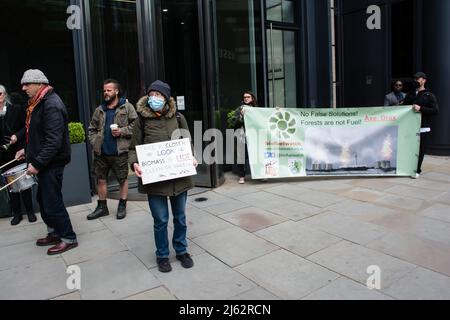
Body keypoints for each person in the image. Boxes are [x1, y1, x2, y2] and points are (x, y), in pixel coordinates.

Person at [129, 80, 195, 273]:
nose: (154, 98)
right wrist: (135, 163)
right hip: (155, 179)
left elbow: (186, 140)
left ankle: (181, 251)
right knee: (160, 220)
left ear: (166, 98)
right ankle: (162, 255)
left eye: (158, 95)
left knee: (180, 217)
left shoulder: (178, 117)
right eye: (152, 95)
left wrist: (191, 156)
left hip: (178, 178)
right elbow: (133, 147)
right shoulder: (141, 120)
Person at [15, 69, 77, 255]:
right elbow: (38, 135)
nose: (23, 88)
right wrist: (26, 151)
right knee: (43, 200)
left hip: (52, 163)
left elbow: (53, 141)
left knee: (52, 201)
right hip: (45, 162)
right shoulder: (39, 102)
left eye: (27, 84)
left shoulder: (51, 104)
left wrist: (37, 163)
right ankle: (54, 232)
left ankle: (68, 237)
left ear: (40, 84)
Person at [87, 79, 137, 220]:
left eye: (108, 90)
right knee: (101, 179)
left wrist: (122, 131)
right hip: (101, 153)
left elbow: (136, 126)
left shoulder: (127, 107)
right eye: (104, 90)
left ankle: (122, 205)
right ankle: (102, 207)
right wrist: (94, 142)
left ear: (116, 91)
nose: (106, 93)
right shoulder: (100, 109)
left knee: (122, 179)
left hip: (119, 152)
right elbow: (92, 128)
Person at [0, 85, 36, 225]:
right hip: (3, 155)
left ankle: (30, 211)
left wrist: (16, 136)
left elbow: (25, 127)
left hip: (18, 151)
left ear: (5, 95)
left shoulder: (16, 109)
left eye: (0, 94)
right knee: (11, 186)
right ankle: (17, 214)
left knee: (24, 183)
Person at [403, 72, 439, 178]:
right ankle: (408, 168)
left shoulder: (429, 95)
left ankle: (417, 170)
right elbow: (404, 108)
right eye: (414, 79)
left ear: (424, 80)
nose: (415, 81)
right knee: (408, 148)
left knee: (420, 150)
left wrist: (421, 109)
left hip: (423, 127)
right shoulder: (410, 94)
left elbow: (435, 110)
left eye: (418, 79)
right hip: (410, 127)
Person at [228, 91, 258, 184]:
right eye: (244, 97)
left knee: (256, 155)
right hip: (242, 136)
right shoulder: (239, 109)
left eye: (248, 97)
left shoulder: (257, 109)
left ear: (252, 98)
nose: (246, 98)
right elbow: (232, 123)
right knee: (241, 156)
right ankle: (241, 176)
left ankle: (259, 175)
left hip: (254, 136)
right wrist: (241, 115)